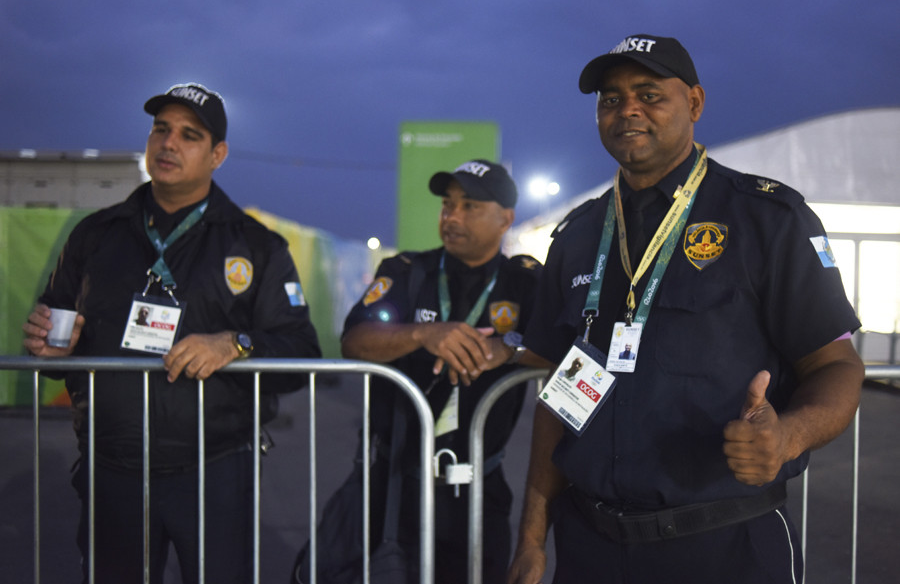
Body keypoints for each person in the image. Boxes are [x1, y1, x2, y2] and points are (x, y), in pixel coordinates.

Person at [506, 35, 864, 584]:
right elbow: (562, 397)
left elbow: (836, 365)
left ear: (694, 104)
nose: (627, 109)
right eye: (610, 98)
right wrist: (531, 539)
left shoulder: (767, 219)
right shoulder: (578, 237)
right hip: (590, 548)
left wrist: (786, 436)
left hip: (725, 546)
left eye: (649, 94)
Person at [22, 82, 321, 584]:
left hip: (215, 472)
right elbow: (55, 317)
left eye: (189, 135)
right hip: (110, 466)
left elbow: (301, 351)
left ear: (217, 154)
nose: (168, 144)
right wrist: (47, 339)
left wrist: (237, 343)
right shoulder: (95, 235)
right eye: (161, 129)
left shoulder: (257, 245)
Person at [338, 160, 542, 583]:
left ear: (506, 218)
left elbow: (562, 349)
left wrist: (508, 348)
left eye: (469, 206)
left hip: (480, 490)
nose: (451, 217)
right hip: (395, 487)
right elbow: (354, 341)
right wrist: (421, 333)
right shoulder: (408, 271)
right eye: (447, 205)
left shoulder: (523, 282)